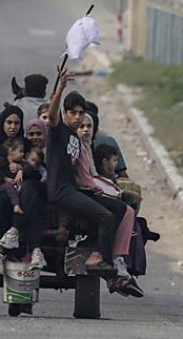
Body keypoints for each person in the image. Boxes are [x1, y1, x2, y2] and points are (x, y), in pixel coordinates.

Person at [45, 68, 117, 272]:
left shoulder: (76, 138)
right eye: (73, 113)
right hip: (61, 192)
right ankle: (103, 260)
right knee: (106, 217)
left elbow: (79, 172)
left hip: (73, 189)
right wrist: (61, 88)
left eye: (81, 113)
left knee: (117, 208)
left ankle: (97, 251)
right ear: (65, 114)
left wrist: (93, 187)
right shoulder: (59, 132)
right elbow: (51, 116)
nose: (77, 117)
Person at [75, 113, 144, 297]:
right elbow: (83, 178)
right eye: (81, 126)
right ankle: (111, 258)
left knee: (125, 209)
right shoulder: (72, 146)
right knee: (118, 210)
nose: (85, 130)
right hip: (79, 193)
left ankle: (117, 261)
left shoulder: (89, 146)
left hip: (91, 188)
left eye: (89, 126)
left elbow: (94, 175)